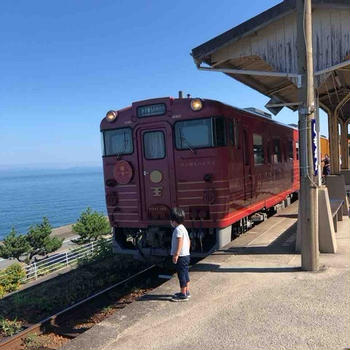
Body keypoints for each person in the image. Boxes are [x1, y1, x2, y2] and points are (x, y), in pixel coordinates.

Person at [170, 207, 191, 302]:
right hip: (186, 255)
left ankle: (183, 294)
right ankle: (187, 291)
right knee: (185, 273)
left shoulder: (177, 229)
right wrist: (187, 250)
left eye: (171, 220)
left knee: (181, 275)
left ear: (174, 221)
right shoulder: (183, 228)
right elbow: (189, 241)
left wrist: (176, 254)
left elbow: (180, 241)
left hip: (181, 256)